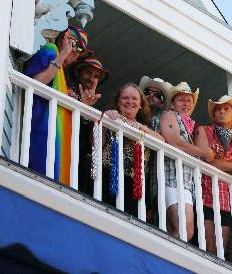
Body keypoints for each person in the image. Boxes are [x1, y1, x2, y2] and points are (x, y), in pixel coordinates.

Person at [24, 25, 92, 185]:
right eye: (74, 44)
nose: (75, 51)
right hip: (41, 132)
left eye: (80, 49)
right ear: (63, 38)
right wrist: (62, 54)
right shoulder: (51, 50)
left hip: (54, 142)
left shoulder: (61, 73)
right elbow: (37, 82)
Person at [152, 82, 215, 241]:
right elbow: (174, 142)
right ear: (172, 104)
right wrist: (204, 152)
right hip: (171, 178)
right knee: (184, 229)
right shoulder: (169, 115)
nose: (186, 103)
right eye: (181, 100)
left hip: (185, 182)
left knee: (180, 230)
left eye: (189, 100)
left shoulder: (190, 126)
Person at [194, 95, 232, 256]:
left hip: (227, 200)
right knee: (209, 247)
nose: (221, 112)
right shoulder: (203, 130)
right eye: (218, 109)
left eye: (226, 109)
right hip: (205, 194)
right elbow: (208, 160)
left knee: (220, 250)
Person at [102, 83, 164, 216]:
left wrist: (144, 129)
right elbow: (94, 142)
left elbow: (162, 142)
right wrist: (105, 117)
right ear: (118, 102)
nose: (130, 102)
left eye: (134, 99)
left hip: (135, 186)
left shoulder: (144, 128)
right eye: (125, 98)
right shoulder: (110, 118)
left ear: (141, 104)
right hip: (109, 177)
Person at [67, 58, 111, 195]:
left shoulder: (91, 103)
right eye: (88, 73)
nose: (91, 79)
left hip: (78, 157)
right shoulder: (66, 91)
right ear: (78, 73)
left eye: (96, 76)